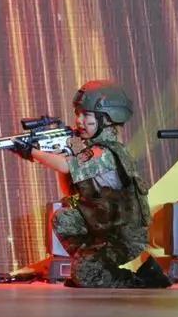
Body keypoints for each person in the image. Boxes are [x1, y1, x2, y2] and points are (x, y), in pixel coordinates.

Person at [11, 80, 169, 288]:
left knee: (85, 276)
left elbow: (66, 166)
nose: (79, 120)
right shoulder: (87, 149)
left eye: (87, 115)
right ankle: (90, 264)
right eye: (78, 114)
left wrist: (31, 152)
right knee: (64, 218)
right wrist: (58, 152)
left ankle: (142, 278)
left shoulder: (106, 152)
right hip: (103, 226)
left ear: (107, 119)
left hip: (124, 236)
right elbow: (70, 189)